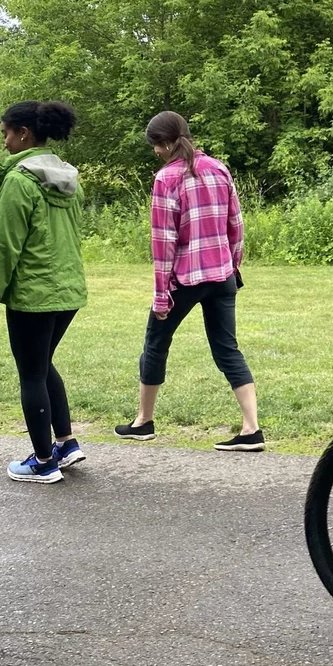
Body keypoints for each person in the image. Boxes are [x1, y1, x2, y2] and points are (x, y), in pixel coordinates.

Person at [115, 111, 264, 452]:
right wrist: (233, 266)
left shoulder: (166, 179)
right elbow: (236, 226)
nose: (155, 152)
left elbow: (163, 244)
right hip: (222, 274)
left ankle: (143, 422)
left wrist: (161, 296)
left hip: (185, 278)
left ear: (164, 143)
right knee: (228, 349)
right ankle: (251, 429)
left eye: (155, 146)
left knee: (155, 342)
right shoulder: (219, 168)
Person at [0, 100, 89, 484]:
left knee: (31, 374)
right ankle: (66, 444)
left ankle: (42, 462)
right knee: (42, 366)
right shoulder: (69, 178)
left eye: (5, 133)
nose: (3, 142)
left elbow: (3, 247)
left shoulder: (19, 182)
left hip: (34, 295)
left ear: (23, 134)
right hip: (67, 291)